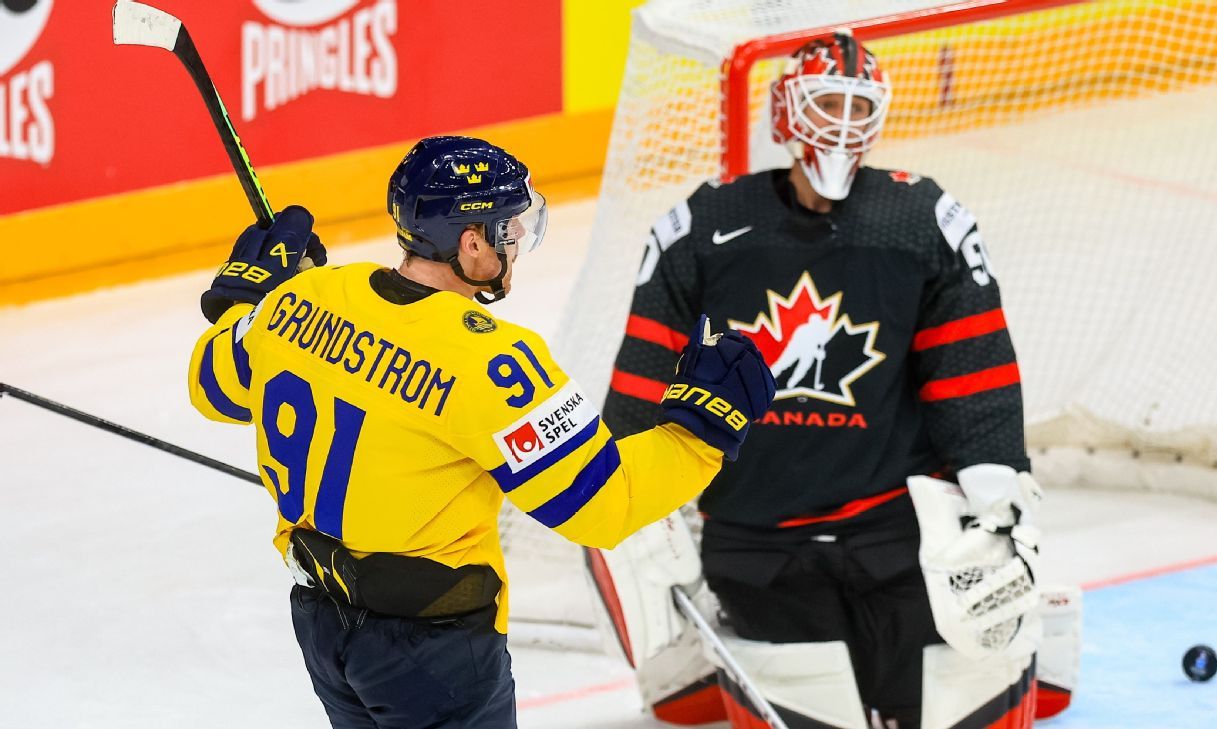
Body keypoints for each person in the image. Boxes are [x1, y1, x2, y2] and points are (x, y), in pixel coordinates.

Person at [185, 135, 775, 729]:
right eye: (507, 229)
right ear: (471, 243)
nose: (516, 242)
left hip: (321, 626)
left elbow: (214, 387)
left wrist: (247, 301)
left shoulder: (304, 297)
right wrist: (701, 430)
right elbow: (601, 504)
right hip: (431, 653)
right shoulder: (492, 360)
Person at [603, 33, 1047, 728]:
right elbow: (645, 374)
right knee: (819, 716)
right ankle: (699, 665)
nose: (841, 121)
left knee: (948, 709)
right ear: (786, 112)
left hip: (896, 531)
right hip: (758, 539)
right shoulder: (704, 228)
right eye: (825, 101)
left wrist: (996, 483)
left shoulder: (921, 220)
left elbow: (970, 362)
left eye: (856, 103)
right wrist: (632, 502)